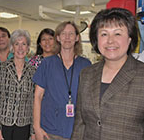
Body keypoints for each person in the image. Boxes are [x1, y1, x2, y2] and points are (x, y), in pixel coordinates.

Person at [71, 8, 144, 140]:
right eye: (104, 34)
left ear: (129, 38)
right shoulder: (86, 74)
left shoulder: (141, 75)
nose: (110, 41)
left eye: (117, 34)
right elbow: (80, 123)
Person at [33, 21, 91, 140]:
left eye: (71, 34)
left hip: (77, 130)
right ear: (58, 38)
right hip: (50, 130)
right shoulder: (47, 63)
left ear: (77, 38)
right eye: (63, 34)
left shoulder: (86, 65)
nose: (67, 37)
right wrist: (36, 128)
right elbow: (37, 96)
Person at [0, 29, 36, 140]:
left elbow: (35, 102)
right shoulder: (0, 68)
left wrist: (33, 131)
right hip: (4, 124)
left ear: (28, 47)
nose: (20, 48)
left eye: (23, 44)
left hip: (24, 125)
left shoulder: (33, 72)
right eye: (16, 44)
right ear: (12, 48)